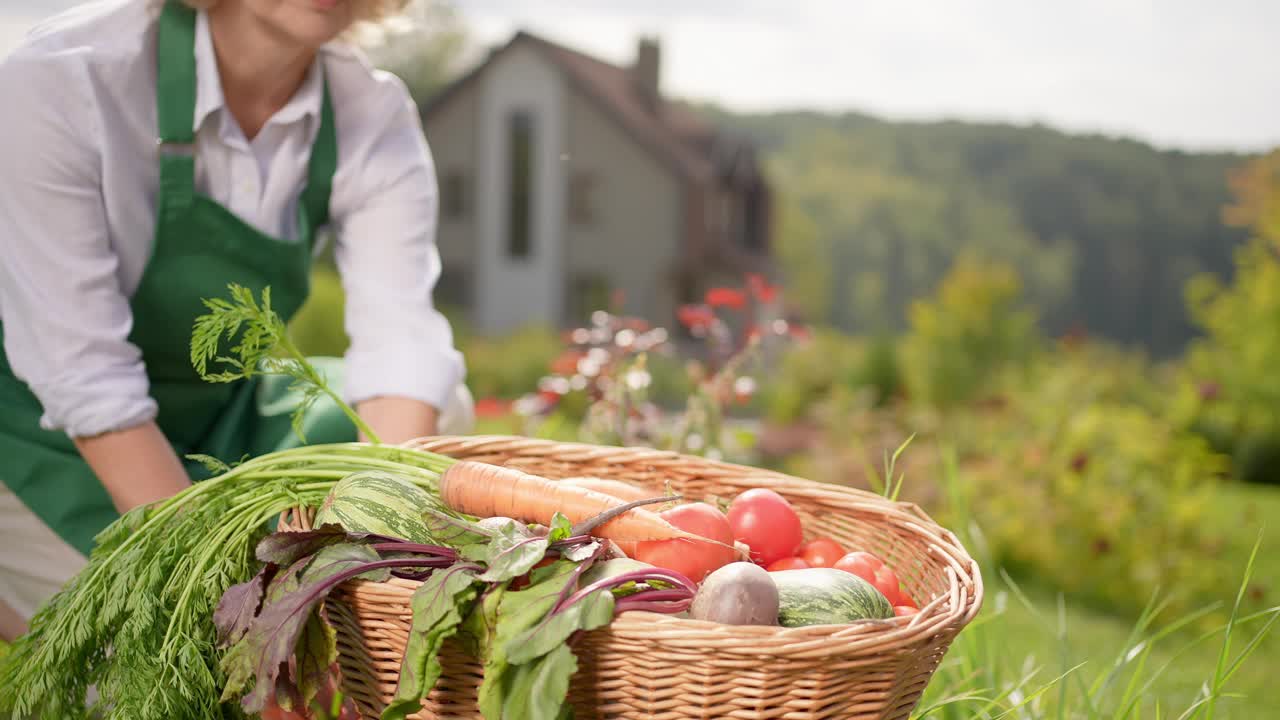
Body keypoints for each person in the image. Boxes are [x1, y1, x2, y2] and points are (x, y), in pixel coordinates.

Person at [0, 0, 473, 643]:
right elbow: (81, 372)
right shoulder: (62, 82)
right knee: (148, 662)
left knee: (440, 417)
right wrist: (207, 584)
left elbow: (402, 343)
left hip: (218, 416)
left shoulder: (370, 109)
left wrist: (369, 549)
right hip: (37, 435)